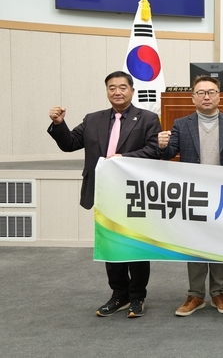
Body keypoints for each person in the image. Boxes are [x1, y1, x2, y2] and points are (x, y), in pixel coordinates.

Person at [47, 71, 161, 318]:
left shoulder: (148, 119)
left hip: (133, 192)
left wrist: (123, 158)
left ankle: (137, 296)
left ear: (132, 90)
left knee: (135, 245)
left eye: (122, 87)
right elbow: (69, 144)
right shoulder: (93, 119)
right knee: (110, 244)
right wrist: (58, 124)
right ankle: (119, 294)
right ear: (107, 91)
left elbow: (154, 150)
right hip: (103, 191)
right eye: (112, 88)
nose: (117, 92)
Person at [158, 75, 223, 317]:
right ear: (193, 98)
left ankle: (219, 292)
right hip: (194, 193)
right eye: (201, 92)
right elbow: (170, 153)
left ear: (219, 96)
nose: (206, 96)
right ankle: (195, 294)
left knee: (220, 243)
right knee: (195, 243)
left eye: (211, 92)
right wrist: (163, 146)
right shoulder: (181, 123)